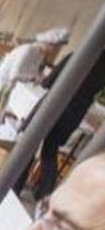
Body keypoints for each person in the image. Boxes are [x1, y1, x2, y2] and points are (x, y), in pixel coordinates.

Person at [0, 27, 69, 165]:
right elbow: (15, 73)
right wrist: (33, 77)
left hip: (6, 89)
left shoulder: (39, 54)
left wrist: (37, 76)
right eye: (54, 47)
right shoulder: (28, 50)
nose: (53, 50)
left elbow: (32, 71)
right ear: (48, 44)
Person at [14, 48, 105, 200]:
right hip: (74, 113)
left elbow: (49, 82)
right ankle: (45, 194)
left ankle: (15, 186)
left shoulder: (78, 55)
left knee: (30, 145)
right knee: (50, 150)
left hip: (54, 104)